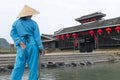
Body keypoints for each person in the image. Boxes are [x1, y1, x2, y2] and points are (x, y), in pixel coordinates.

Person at [10, 5, 44, 80]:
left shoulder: (16, 23)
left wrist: (19, 41)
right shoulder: (34, 23)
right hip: (32, 45)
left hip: (22, 46)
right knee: (33, 66)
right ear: (29, 14)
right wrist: (40, 48)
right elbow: (37, 37)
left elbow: (12, 33)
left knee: (18, 65)